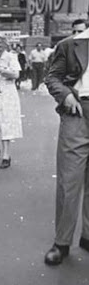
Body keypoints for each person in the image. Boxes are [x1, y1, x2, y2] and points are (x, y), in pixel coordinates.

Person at [44, 25, 89, 265]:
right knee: (69, 180)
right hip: (78, 112)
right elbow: (52, 77)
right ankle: (62, 243)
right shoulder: (70, 44)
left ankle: (87, 237)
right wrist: (66, 95)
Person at [0, 33, 23, 169]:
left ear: (5, 43)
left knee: (4, 121)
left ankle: (6, 155)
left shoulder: (11, 56)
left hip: (6, 92)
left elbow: (16, 74)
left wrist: (0, 69)